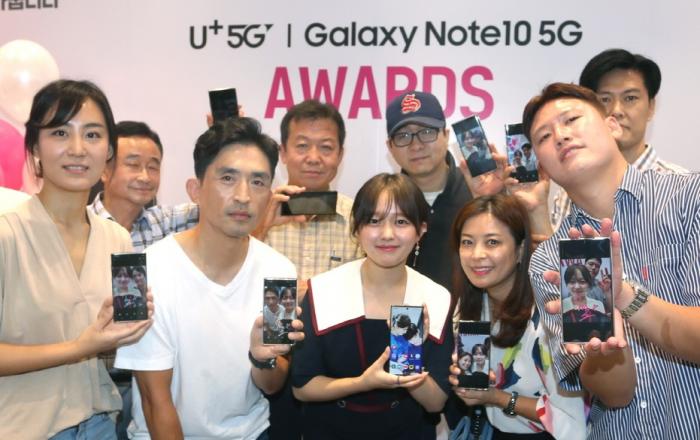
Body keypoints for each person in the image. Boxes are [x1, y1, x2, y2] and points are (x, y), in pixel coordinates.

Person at [524, 82, 700, 439]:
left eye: (571, 119)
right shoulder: (549, 260)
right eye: (544, 136)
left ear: (612, 125)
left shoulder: (688, 198)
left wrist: (624, 297)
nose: (560, 136)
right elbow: (616, 395)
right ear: (542, 164)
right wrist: (602, 349)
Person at [115, 117, 304, 439]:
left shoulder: (280, 271)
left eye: (258, 182)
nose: (243, 196)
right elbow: (152, 399)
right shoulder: (135, 274)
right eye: (228, 178)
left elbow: (273, 385)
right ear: (195, 190)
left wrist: (262, 359)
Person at [0, 79, 153, 439]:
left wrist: (127, 332)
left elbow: (110, 351)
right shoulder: (7, 234)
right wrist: (79, 348)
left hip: (100, 423)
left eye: (92, 135)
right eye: (60, 133)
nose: (77, 149)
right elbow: (85, 345)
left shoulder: (117, 237)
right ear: (34, 146)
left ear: (108, 151)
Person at [291, 173, 452, 439]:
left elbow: (435, 403)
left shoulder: (434, 297)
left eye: (401, 221)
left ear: (421, 230)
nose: (387, 234)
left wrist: (408, 356)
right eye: (374, 221)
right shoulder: (323, 290)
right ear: (356, 228)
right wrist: (361, 383)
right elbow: (302, 387)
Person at [447, 194, 586, 439]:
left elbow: (570, 419)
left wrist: (497, 398)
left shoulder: (550, 313)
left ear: (520, 250)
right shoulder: (468, 305)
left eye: (492, 242)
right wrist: (468, 383)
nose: (476, 254)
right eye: (467, 242)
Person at [551, 48, 689, 231]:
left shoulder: (683, 189)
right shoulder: (569, 194)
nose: (616, 111)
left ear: (651, 107)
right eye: (604, 99)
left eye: (630, 98)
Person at [254, 99, 363, 285]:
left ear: (340, 155)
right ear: (283, 153)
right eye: (302, 146)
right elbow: (230, 274)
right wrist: (261, 228)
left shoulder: (358, 217)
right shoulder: (255, 211)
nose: (313, 158)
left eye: (326, 147)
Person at [385, 91, 473, 291]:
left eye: (426, 132)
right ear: (390, 147)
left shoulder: (477, 190)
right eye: (403, 136)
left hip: (469, 309)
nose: (416, 145)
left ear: (446, 135)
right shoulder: (384, 202)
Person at [88, 121, 200, 251]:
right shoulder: (80, 223)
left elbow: (213, 208)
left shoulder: (167, 224)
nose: (145, 177)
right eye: (133, 164)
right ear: (104, 170)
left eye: (152, 167)